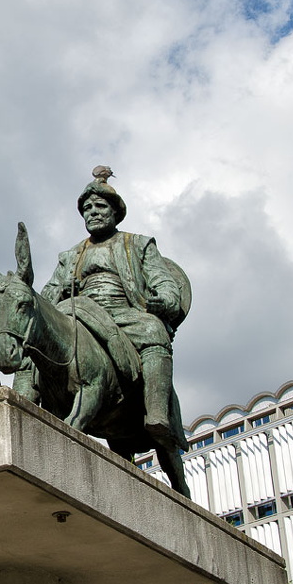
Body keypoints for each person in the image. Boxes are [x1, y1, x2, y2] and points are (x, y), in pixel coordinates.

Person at [40, 166, 185, 444]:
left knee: (153, 330)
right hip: (78, 314)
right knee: (34, 338)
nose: (92, 213)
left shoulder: (139, 244)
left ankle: (156, 410)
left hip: (124, 313)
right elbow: (46, 296)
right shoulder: (70, 256)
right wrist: (62, 289)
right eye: (87, 208)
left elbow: (165, 284)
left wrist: (163, 301)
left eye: (100, 206)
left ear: (115, 212)